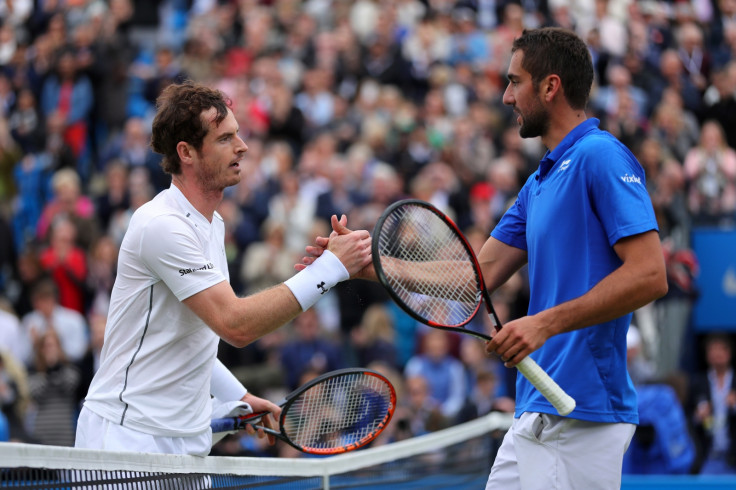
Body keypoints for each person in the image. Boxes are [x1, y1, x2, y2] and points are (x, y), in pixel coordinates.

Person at [299, 27, 668, 490]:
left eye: (515, 81)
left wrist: (543, 324)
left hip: (581, 413)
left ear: (550, 86)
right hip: (536, 408)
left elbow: (651, 275)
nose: (506, 96)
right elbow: (473, 276)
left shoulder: (601, 156)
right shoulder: (537, 185)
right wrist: (366, 265)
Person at [74, 81, 372, 457]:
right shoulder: (161, 225)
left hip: (184, 440)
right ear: (186, 152)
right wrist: (330, 267)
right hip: (125, 435)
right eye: (225, 138)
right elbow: (235, 325)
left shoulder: (212, 225)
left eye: (238, 134)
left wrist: (238, 394)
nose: (242, 146)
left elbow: (188, 335)